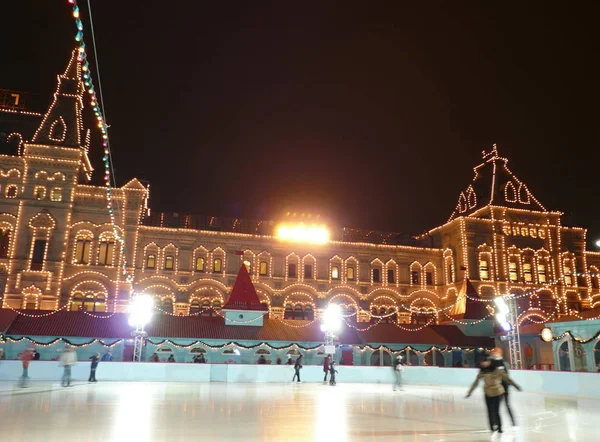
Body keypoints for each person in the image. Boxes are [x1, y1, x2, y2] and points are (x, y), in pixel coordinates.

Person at [466, 360, 522, 437]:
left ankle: (499, 427)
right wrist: (470, 392)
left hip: (497, 392)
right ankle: (492, 428)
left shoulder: (497, 370)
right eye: (483, 362)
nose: (484, 363)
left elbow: (507, 379)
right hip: (487, 393)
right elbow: (475, 382)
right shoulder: (482, 371)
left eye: (486, 361)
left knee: (496, 410)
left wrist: (516, 386)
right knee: (490, 411)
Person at [487, 347, 516, 426]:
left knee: (507, 405)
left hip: (504, 388)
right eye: (492, 354)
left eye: (495, 353)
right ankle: (495, 423)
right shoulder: (491, 363)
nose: (493, 355)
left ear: (498, 354)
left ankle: (513, 423)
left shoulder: (503, 363)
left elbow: (506, 375)